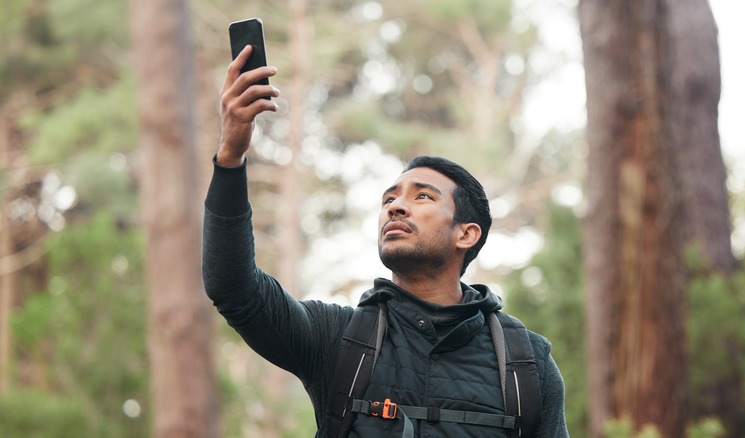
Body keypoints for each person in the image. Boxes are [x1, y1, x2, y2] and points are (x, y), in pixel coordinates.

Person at [202, 45, 569, 437]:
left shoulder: (526, 365)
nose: (396, 207)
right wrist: (231, 157)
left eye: (422, 196)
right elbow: (234, 289)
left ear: (467, 233)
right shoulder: (338, 339)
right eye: (389, 199)